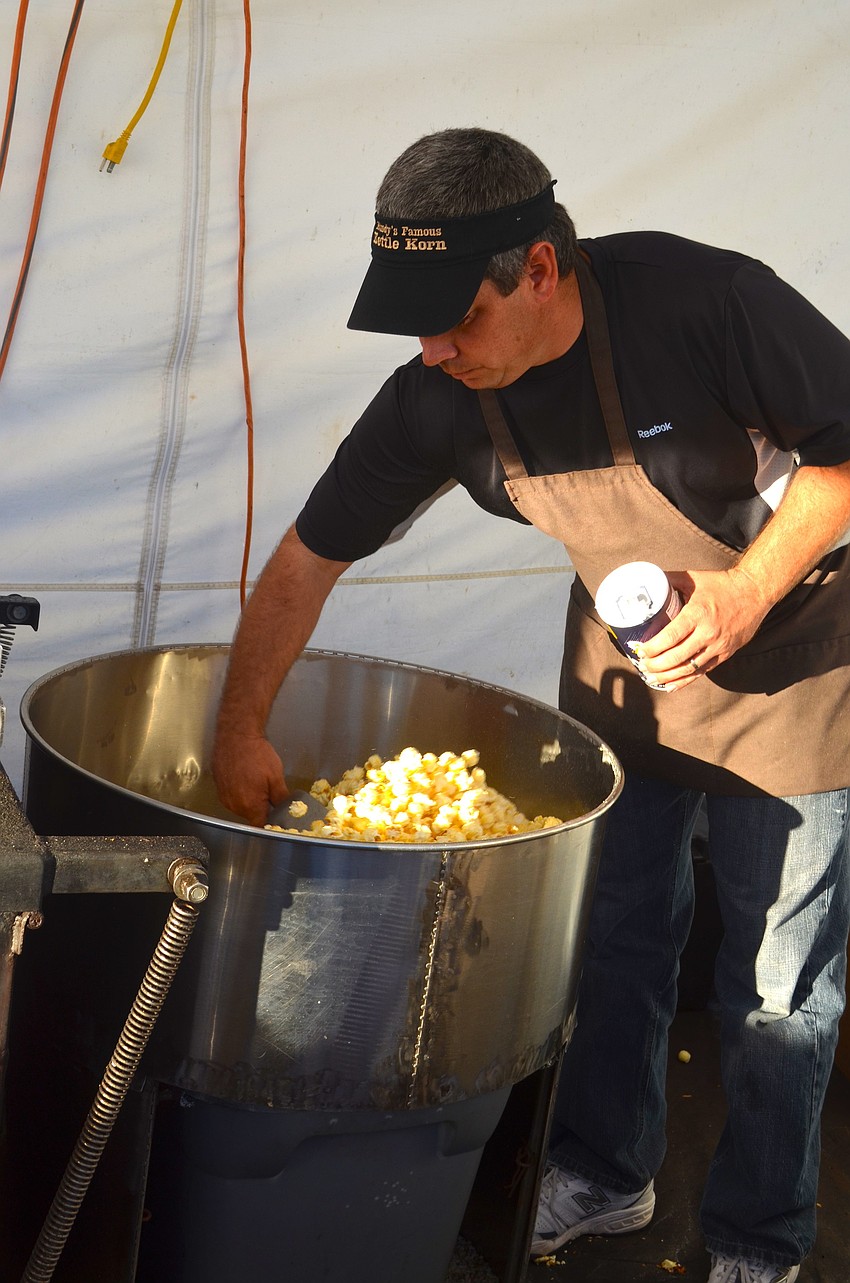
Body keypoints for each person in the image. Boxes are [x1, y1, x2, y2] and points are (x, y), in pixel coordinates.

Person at [212, 127, 850, 1283]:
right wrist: (237, 725)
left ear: (540, 272)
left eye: (457, 319)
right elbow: (308, 556)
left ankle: (763, 1236)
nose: (435, 348)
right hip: (630, 677)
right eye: (417, 323)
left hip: (799, 667)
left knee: (776, 993)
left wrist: (750, 592)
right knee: (609, 942)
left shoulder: (707, 302)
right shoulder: (439, 397)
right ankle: (609, 1172)